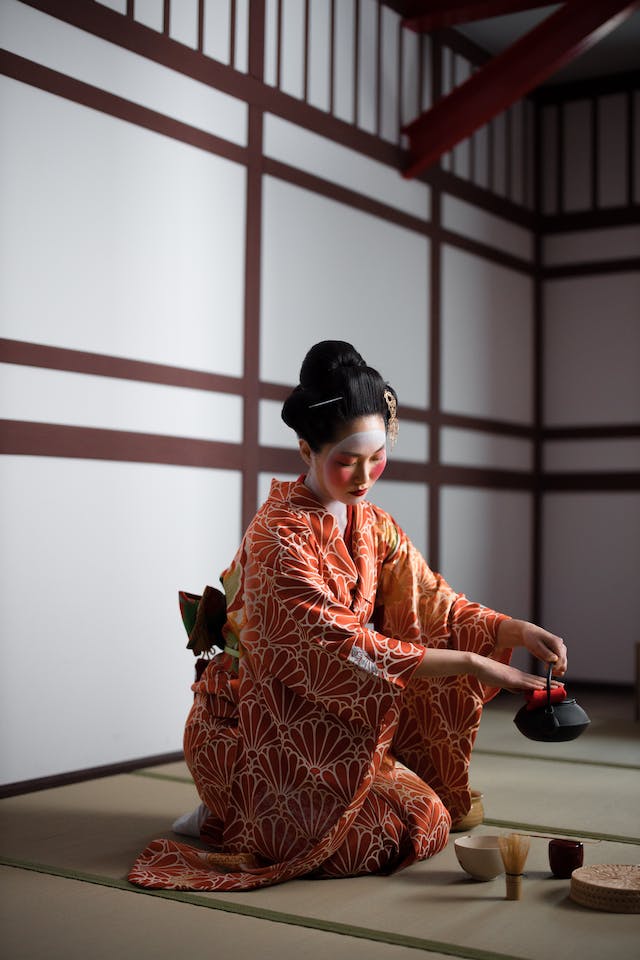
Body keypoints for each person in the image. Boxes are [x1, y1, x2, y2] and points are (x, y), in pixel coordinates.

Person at [129, 341, 567, 892]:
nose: (364, 477)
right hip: (263, 726)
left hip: (341, 728)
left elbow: (432, 601)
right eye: (346, 460)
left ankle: (238, 819)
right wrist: (476, 665)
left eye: (377, 457)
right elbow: (339, 648)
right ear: (306, 449)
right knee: (377, 838)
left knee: (428, 820)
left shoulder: (372, 525)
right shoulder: (278, 539)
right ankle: (230, 810)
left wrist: (512, 630)